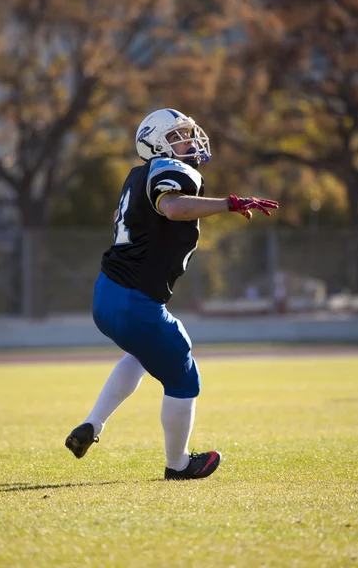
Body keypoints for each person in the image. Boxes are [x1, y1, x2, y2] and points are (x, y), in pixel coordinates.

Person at [65, 108, 278, 480]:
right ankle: (178, 465)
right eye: (179, 135)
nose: (190, 141)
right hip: (134, 300)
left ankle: (92, 425)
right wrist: (229, 204)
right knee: (182, 375)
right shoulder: (168, 169)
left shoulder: (136, 176)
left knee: (143, 354)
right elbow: (172, 206)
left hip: (107, 294)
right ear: (157, 143)